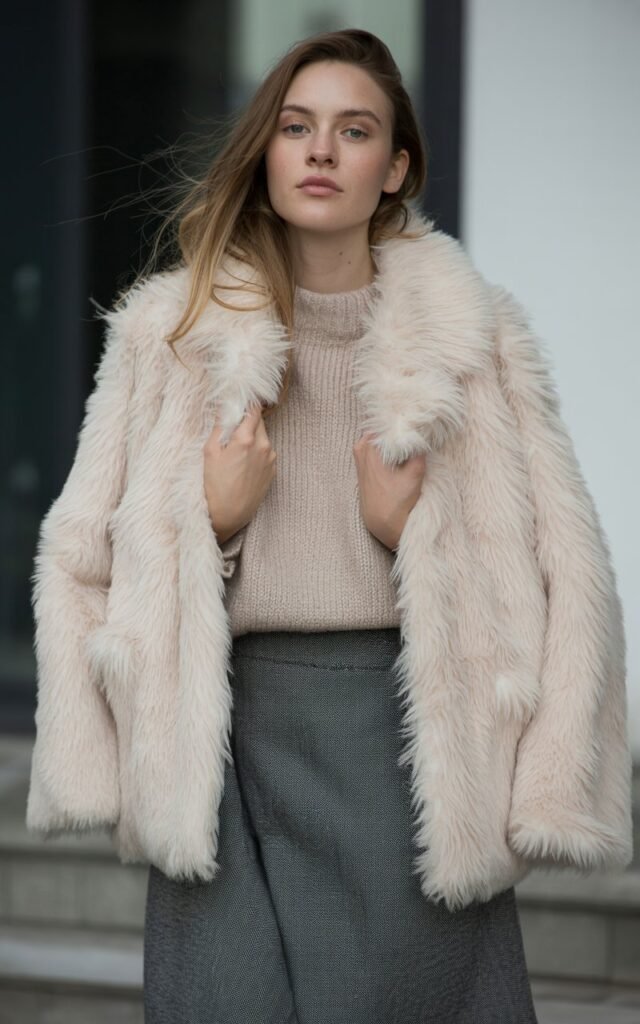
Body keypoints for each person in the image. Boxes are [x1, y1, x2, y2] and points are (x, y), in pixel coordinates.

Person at [25, 27, 632, 1024]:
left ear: (393, 169)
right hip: (217, 745)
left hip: (401, 744)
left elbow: (572, 572)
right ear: (264, 154)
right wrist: (210, 523)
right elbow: (78, 555)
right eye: (296, 127)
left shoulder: (475, 339)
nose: (319, 151)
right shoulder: (168, 335)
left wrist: (410, 533)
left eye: (353, 132)